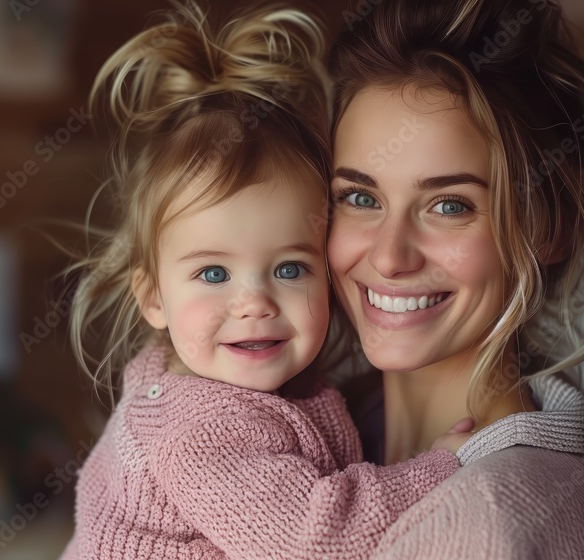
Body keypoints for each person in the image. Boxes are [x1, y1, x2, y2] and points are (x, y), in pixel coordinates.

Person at [58, 3, 474, 559]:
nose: (254, 302)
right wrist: (438, 467)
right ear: (153, 297)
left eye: (288, 268)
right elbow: (319, 538)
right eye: (212, 273)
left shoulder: (229, 384)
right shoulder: (203, 432)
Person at [325, 0, 584, 557]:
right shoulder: (309, 429)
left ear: (549, 227)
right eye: (360, 197)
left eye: (449, 206)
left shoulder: (492, 524)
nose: (390, 257)